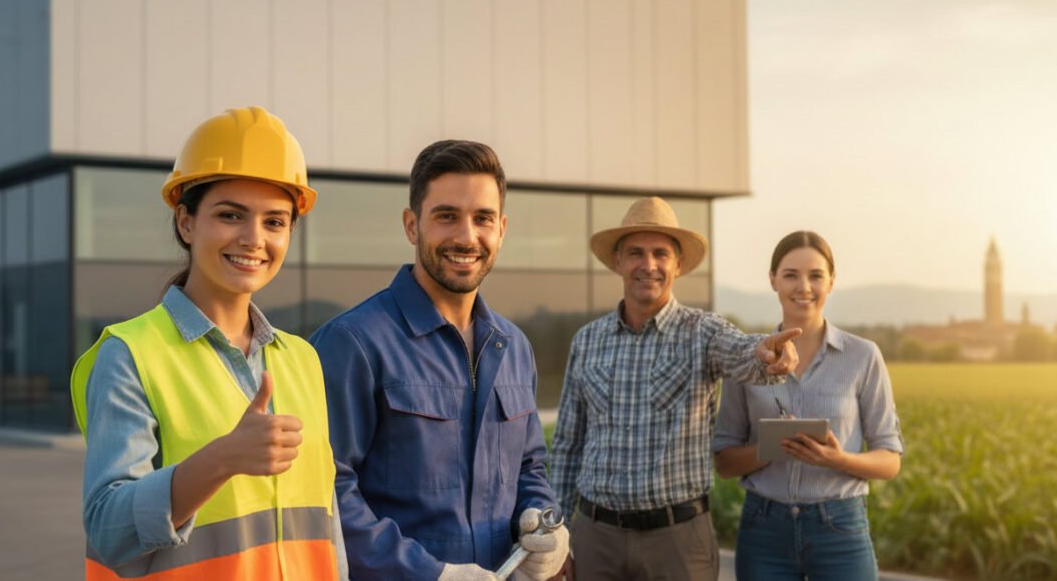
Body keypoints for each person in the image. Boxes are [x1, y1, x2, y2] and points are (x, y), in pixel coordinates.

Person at [70, 107, 347, 580]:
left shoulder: (302, 360)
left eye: (275, 222)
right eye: (230, 215)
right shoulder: (131, 354)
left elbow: (327, 527)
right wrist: (222, 459)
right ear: (185, 223)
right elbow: (109, 530)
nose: (253, 238)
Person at [310, 140, 569, 580]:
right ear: (412, 225)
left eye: (482, 218)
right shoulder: (352, 343)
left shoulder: (514, 347)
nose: (466, 237)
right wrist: (431, 574)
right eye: (446, 216)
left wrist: (543, 518)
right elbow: (324, 494)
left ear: (502, 229)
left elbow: (528, 466)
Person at [547, 196, 801, 581]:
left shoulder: (703, 331)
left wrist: (768, 353)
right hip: (596, 539)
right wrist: (556, 538)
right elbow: (567, 445)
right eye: (635, 253)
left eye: (660, 254)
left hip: (678, 542)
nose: (648, 265)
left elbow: (744, 352)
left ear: (678, 265)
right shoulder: (587, 340)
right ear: (617, 262)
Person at [713, 230, 904, 581]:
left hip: (840, 529)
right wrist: (771, 449)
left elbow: (890, 460)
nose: (804, 287)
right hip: (764, 530)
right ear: (773, 281)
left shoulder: (863, 357)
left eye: (816, 275)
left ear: (831, 282)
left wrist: (838, 459)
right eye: (790, 275)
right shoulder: (747, 359)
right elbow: (724, 461)